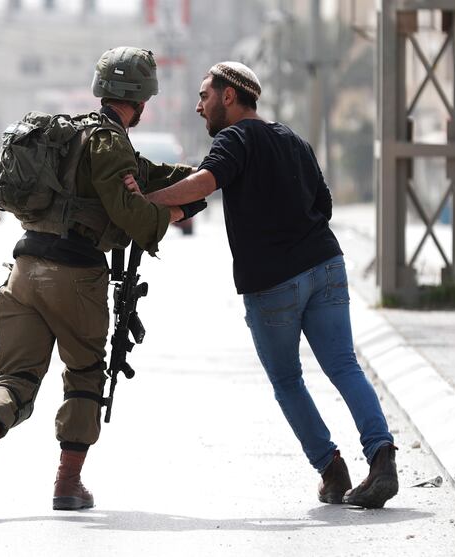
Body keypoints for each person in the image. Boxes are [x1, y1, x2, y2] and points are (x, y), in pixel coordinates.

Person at [0, 46, 205, 519]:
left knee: (15, 376)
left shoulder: (68, 135)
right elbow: (131, 213)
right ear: (142, 97)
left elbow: (149, 176)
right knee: (86, 377)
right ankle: (67, 484)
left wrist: (207, 177)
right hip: (76, 276)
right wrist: (175, 212)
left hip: (25, 270)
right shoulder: (110, 144)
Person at [138, 62, 399, 509]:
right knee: (344, 366)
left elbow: (206, 181)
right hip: (326, 265)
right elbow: (324, 204)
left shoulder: (234, 138)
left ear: (229, 97)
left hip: (274, 284)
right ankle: (382, 460)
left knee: (287, 379)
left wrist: (146, 200)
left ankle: (331, 471)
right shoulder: (293, 139)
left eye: (204, 96)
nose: (199, 107)